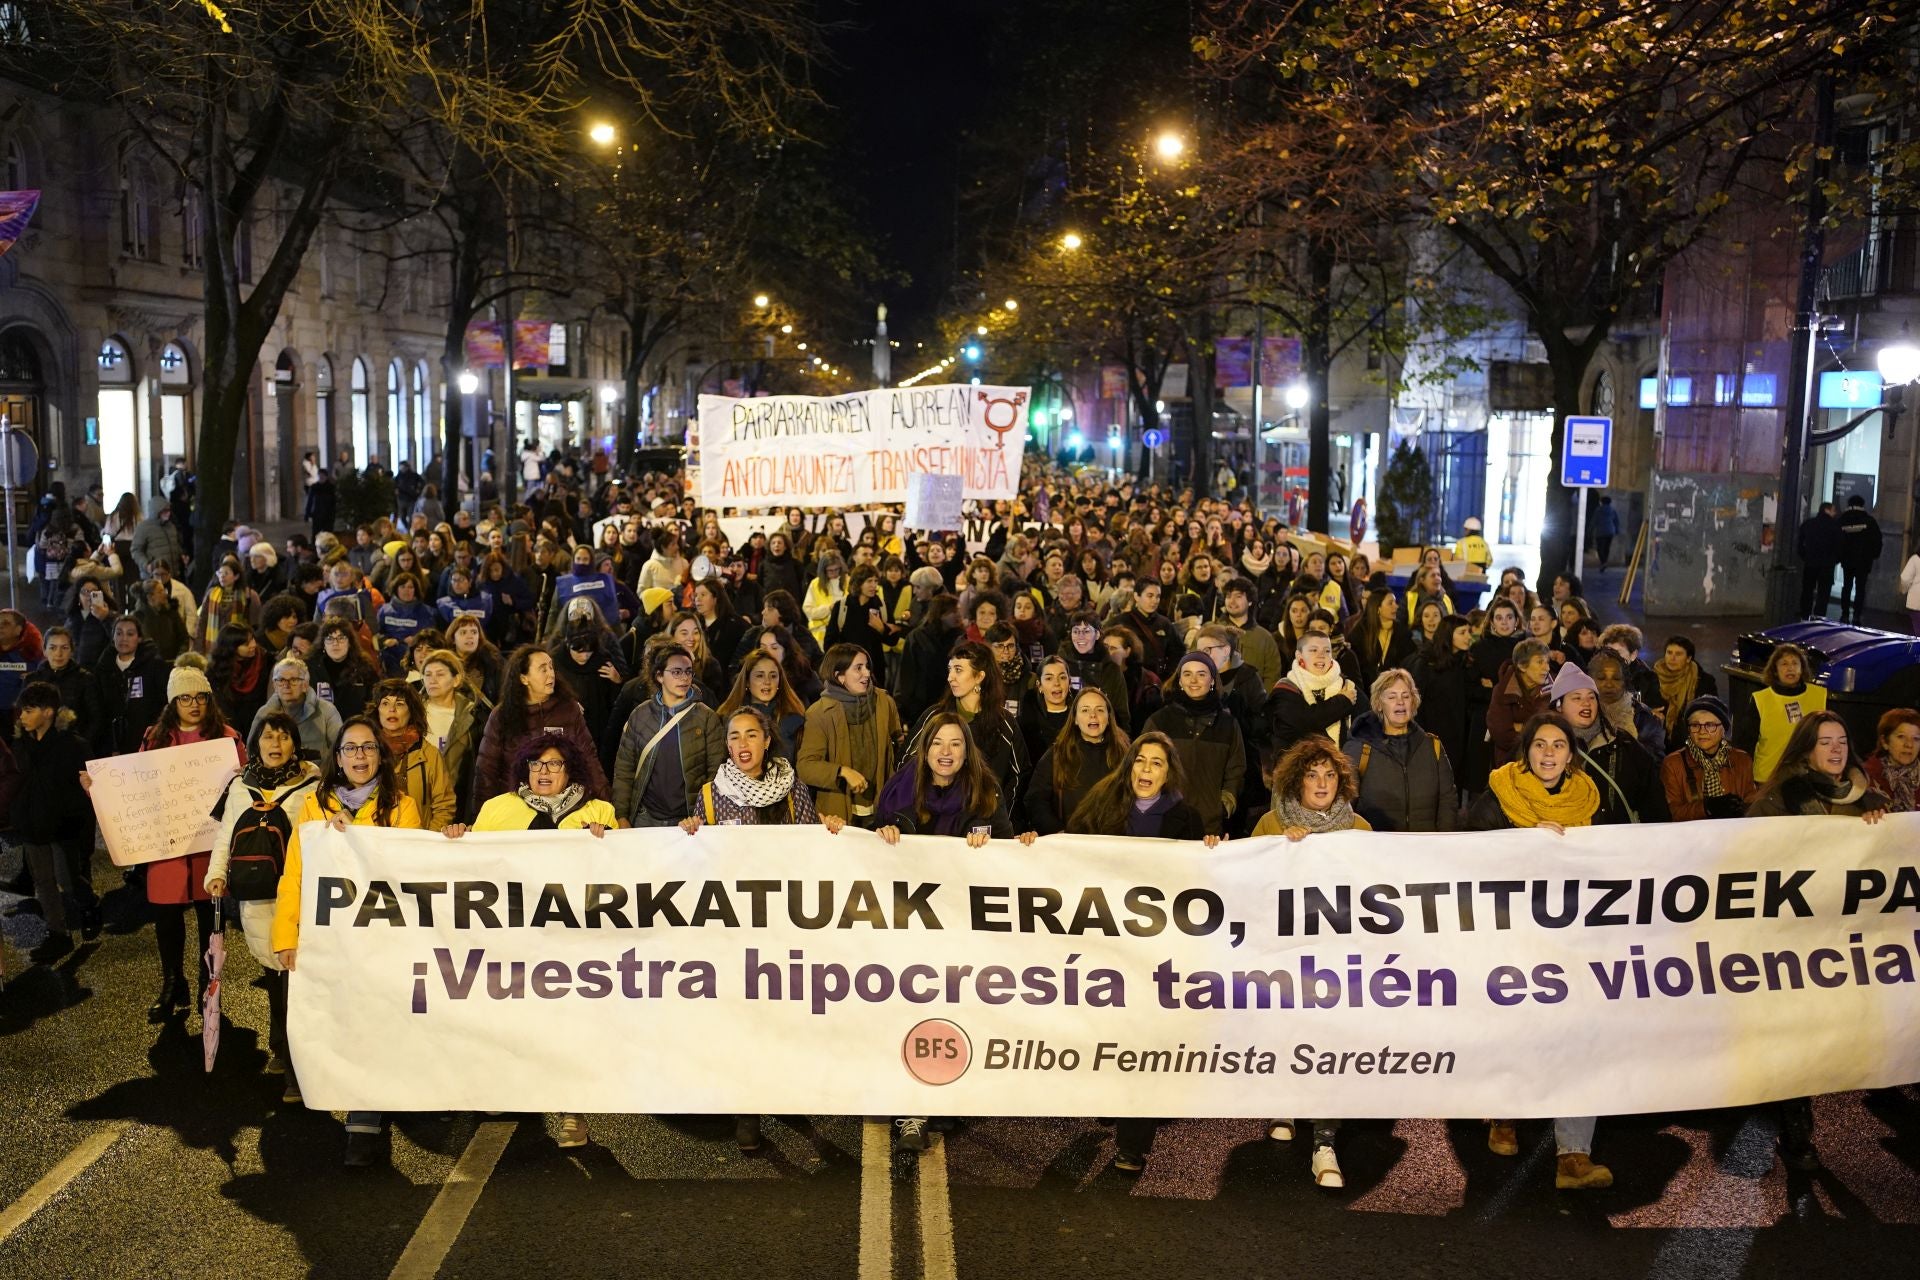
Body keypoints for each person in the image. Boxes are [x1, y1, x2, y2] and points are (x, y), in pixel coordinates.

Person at [1465, 711, 1613, 1191]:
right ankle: (1505, 1118)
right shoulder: (1498, 798)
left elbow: (1616, 862)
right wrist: (1526, 845)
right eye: (1539, 745)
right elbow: (1465, 862)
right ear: (1525, 751)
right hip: (1512, 937)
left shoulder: (1591, 800)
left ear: (1571, 755)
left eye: (1558, 745)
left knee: (1580, 1037)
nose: (1548, 753)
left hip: (1574, 939)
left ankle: (1573, 1154)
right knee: (1516, 1031)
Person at [874, 713, 1036, 1153]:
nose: (946, 753)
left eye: (955, 745)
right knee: (909, 1011)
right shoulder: (900, 790)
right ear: (925, 750)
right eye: (937, 744)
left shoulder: (985, 792)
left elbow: (1006, 849)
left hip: (961, 929)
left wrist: (1010, 847)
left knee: (954, 1011)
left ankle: (945, 1094)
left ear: (967, 751)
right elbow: (868, 847)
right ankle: (910, 1110)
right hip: (907, 925)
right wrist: (882, 833)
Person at [272, 717, 426, 1165]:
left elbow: (411, 870)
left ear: (380, 755)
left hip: (383, 937)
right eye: (350, 749)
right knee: (343, 1021)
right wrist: (287, 934)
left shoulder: (404, 806)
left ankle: (364, 1119)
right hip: (333, 939)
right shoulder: (312, 808)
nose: (359, 757)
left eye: (368, 748)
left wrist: (357, 837)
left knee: (376, 1020)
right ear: (336, 758)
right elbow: (295, 874)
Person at [1064, 730, 1214, 1173]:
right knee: (1110, 1033)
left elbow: (1196, 881)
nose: (1146, 771)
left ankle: (1133, 1144)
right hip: (1107, 944)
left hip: (1156, 951)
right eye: (1140, 761)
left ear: (1169, 774)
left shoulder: (1186, 818)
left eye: (1156, 764)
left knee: (1145, 1041)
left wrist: (1208, 854)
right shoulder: (1100, 803)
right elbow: (1068, 852)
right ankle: (1113, 1098)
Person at [1745, 709, 1888, 1172]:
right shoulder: (1782, 796)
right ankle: (1796, 1132)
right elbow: (1751, 856)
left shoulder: (1871, 800)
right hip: (1795, 941)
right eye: (1825, 741)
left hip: (1853, 944)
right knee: (1796, 1038)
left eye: (1841, 740)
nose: (1835, 750)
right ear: (1807, 747)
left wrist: (1885, 826)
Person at [1249, 736, 1370, 1187]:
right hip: (1285, 954)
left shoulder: (1360, 829)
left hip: (1338, 958)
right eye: (1311, 774)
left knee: (1331, 1042)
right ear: (1295, 780)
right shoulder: (1270, 823)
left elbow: (1375, 893)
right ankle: (1285, 1102)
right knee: (1288, 1032)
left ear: (1342, 782)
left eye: (1330, 774)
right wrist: (1282, 851)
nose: (1321, 782)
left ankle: (1324, 1141)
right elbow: (1247, 884)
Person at [204, 711, 320, 1094]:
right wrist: (216, 873)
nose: (275, 744)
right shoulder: (240, 784)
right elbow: (225, 836)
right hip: (255, 895)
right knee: (273, 973)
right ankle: (279, 1043)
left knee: (296, 972)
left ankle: (294, 1057)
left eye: (283, 737)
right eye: (268, 737)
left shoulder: (314, 783)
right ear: (255, 742)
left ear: (294, 743)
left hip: (299, 893)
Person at [131, 657, 246, 1020]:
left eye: (200, 696)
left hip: (209, 846)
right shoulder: (155, 738)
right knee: (166, 916)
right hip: (166, 845)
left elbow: (242, 789)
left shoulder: (226, 738)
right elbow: (133, 786)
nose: (194, 704)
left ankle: (206, 985)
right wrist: (95, 788)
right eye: (185, 698)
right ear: (172, 703)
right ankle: (171, 982)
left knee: (208, 916)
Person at [10, 683, 96, 961]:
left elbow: (88, 787)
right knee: (43, 882)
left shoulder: (72, 745)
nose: (22, 715)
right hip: (32, 824)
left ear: (48, 712)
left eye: (29, 710)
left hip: (62, 826)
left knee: (67, 879)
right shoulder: (19, 745)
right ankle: (58, 934)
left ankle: (89, 903)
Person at [472, 644, 610, 806]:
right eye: (543, 669)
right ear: (524, 678)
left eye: (551, 667)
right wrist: (480, 818)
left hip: (563, 807)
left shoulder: (569, 709)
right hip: (516, 808)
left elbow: (589, 760)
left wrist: (608, 805)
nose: (551, 674)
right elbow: (487, 771)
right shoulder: (501, 715)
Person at [611, 643, 726, 828]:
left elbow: (715, 773)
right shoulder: (640, 716)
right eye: (676, 672)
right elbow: (624, 770)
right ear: (659, 676)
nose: (684, 678)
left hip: (689, 821)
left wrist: (701, 816)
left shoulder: (706, 717)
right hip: (645, 818)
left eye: (688, 672)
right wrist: (621, 815)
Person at [796, 644, 902, 828]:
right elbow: (806, 766)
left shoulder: (885, 702)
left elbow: (898, 745)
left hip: (882, 811)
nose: (867, 674)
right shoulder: (819, 713)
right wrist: (842, 771)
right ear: (840, 676)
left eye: (867, 667)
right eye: (858, 668)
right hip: (839, 817)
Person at [1550, 662, 1669, 824]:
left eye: (1591, 697)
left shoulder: (1624, 744)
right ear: (1559, 706)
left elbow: (1652, 800)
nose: (1586, 703)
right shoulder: (1544, 747)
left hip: (1620, 842)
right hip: (1568, 842)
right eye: (1576, 697)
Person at [1142, 652, 1245, 837]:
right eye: (1187, 674)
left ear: (1212, 680)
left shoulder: (1228, 724)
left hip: (1209, 825)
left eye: (1201, 674)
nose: (1194, 680)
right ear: (1179, 680)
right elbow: (1142, 766)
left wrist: (1223, 805)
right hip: (1163, 820)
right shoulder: (1159, 721)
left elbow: (1236, 770)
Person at [1341, 669, 1458, 831]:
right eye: (1392, 697)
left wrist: (1444, 841)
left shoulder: (1433, 746)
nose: (1400, 702)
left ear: (1414, 702)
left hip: (1426, 848)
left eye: (1406, 696)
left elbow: (1447, 801)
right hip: (1378, 850)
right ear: (1379, 704)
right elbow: (1344, 806)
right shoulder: (1359, 748)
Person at [1025, 687, 1129, 834]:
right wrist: (1057, 832)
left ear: (1109, 717)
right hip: (1069, 845)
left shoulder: (1126, 754)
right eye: (1085, 710)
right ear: (1074, 719)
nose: (1093, 715)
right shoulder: (1056, 755)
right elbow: (1035, 799)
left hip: (1113, 843)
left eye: (1099, 710)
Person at [1732, 641, 1826, 783]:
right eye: (1784, 664)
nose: (1790, 668)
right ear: (1775, 670)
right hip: (1768, 779)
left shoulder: (1819, 696)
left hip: (1807, 777)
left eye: (1795, 663)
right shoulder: (1761, 699)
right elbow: (1746, 744)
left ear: (1802, 668)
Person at [371, 678, 458, 829]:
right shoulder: (365, 750)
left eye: (400, 704)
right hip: (373, 842)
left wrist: (427, 842)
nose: (392, 709)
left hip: (417, 843)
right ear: (377, 711)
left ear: (411, 711)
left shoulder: (429, 754)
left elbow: (444, 806)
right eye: (385, 703)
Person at [1661, 695, 1757, 820]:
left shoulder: (1742, 760)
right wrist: (1707, 807)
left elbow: (1752, 804)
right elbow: (1671, 813)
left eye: (1710, 725)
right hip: (1692, 836)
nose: (1702, 731)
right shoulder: (1673, 764)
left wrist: (1740, 809)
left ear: (1723, 729)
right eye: (1695, 725)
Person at [1266, 631, 1356, 760]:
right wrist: (1343, 701)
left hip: (1338, 770)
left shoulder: (1347, 686)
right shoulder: (1285, 688)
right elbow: (1305, 723)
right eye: (1313, 650)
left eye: (1327, 651)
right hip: (1295, 770)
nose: (1321, 656)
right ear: (1299, 655)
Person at [249, 655, 345, 760]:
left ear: (305, 684)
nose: (286, 685)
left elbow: (340, 749)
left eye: (293, 680)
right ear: (274, 685)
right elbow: (252, 751)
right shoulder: (264, 713)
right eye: (281, 680)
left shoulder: (327, 711)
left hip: (318, 774)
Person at [1055, 611, 1133, 734]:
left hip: (1103, 737)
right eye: (1076, 631)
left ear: (1097, 634)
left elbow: (1120, 714)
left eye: (1086, 631)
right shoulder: (1059, 666)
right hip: (1066, 737)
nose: (1080, 636)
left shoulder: (1110, 669)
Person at [1486, 637, 1552, 768]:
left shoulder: (1553, 689)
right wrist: (1538, 731)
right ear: (1522, 666)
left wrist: (1522, 727)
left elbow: (1557, 728)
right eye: (1540, 662)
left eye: (1547, 662)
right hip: (1510, 764)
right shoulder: (1503, 691)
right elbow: (1502, 735)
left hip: (1547, 763)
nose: (1547, 668)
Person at [1650, 635, 1717, 751]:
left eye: (1678, 654)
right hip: (1657, 744)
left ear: (1688, 658)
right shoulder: (1652, 678)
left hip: (1690, 745)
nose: (1672, 658)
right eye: (1669, 653)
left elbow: (1712, 714)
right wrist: (1650, 713)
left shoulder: (1703, 682)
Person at [1835, 493, 1883, 624]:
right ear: (1862, 505)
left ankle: (1844, 614)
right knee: (1860, 588)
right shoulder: (1869, 521)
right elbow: (1877, 540)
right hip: (1864, 561)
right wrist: (1873, 555)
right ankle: (1856, 615)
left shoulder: (1842, 520)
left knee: (1847, 586)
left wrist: (1839, 556)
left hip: (1847, 560)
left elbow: (1836, 540)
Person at [1861, 707, 1920, 813]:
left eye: (1916, 738)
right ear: (1884, 742)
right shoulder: (1864, 779)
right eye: (1901, 737)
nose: (1909, 744)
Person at [1796, 500, 1842, 619]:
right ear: (1826, 510)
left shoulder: (1809, 524)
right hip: (1827, 565)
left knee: (1807, 590)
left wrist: (1805, 556)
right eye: (1833, 510)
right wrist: (1834, 560)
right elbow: (1840, 547)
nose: (1835, 513)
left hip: (1810, 563)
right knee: (1823, 593)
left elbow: (1800, 543)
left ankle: (1805, 615)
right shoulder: (1835, 526)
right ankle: (1818, 617)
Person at [1591, 495, 1620, 570]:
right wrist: (1617, 530)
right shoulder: (1612, 510)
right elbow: (1616, 521)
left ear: (1601, 502)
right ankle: (1605, 562)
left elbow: (1594, 521)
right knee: (1607, 547)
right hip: (1610, 531)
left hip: (1600, 531)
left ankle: (1603, 562)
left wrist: (1590, 529)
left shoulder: (1598, 510)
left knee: (1599, 548)